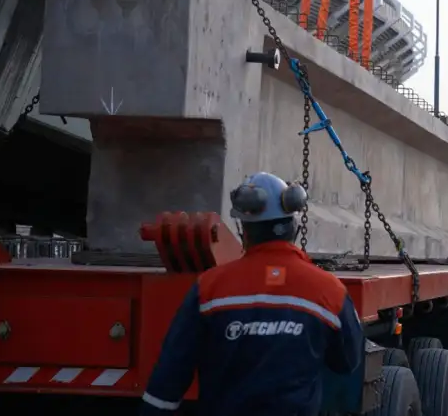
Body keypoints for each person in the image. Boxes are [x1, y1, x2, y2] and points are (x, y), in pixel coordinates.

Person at [140, 172, 364, 416]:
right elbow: (347, 362)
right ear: (293, 226)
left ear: (245, 230)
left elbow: (169, 376)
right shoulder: (329, 291)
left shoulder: (209, 289)